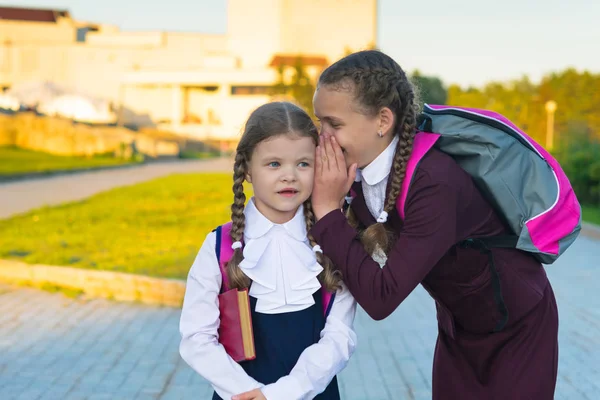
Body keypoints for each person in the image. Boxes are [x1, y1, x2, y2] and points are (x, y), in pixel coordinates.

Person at [309, 50, 559, 399]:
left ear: (383, 120)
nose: (324, 137)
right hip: (460, 329)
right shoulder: (356, 178)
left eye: (334, 124)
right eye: (320, 122)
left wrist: (327, 213)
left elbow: (382, 298)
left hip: (518, 328)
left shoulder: (435, 181)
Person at [179, 102, 357, 400]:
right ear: (247, 169)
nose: (289, 176)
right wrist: (248, 392)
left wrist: (282, 394)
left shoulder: (333, 242)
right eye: (274, 164)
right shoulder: (219, 247)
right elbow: (197, 337)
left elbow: (339, 337)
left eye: (303, 163)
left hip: (313, 393)